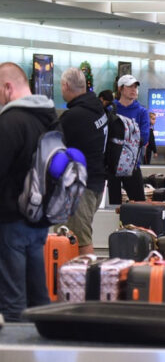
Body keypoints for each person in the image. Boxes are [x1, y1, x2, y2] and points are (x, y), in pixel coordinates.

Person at [0, 62, 57, 321]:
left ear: (8, 87)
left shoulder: (10, 122)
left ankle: (14, 357)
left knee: (12, 299)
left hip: (11, 220)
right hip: (40, 220)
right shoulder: (50, 118)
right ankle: (41, 350)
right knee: (38, 294)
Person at [57, 67, 107, 257]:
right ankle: (70, 279)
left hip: (80, 188)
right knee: (71, 235)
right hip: (96, 183)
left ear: (66, 86)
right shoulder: (97, 109)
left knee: (80, 239)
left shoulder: (73, 117)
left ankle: (86, 282)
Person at [108, 74, 148, 204]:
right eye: (130, 86)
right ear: (120, 89)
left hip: (132, 165)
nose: (134, 89)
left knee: (139, 205)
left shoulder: (141, 111)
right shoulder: (110, 109)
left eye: (135, 87)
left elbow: (144, 137)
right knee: (112, 206)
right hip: (112, 165)